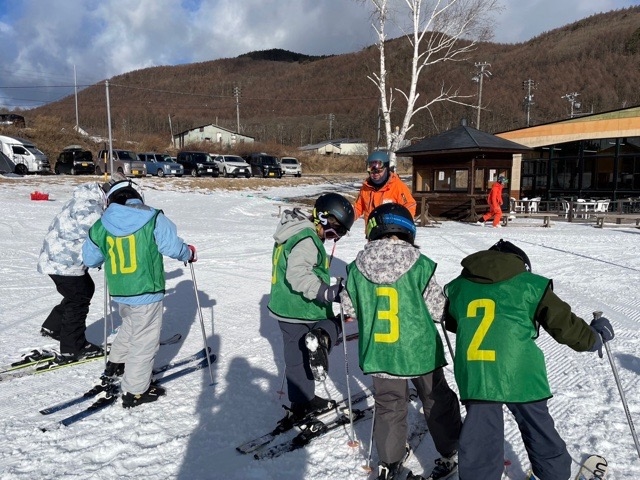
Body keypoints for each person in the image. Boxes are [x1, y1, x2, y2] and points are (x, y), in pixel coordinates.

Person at [443, 239, 615, 480]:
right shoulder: (532, 285)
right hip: (521, 372)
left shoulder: (458, 287)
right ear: (520, 264)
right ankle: (553, 475)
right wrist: (594, 337)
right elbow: (565, 327)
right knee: (539, 430)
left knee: (480, 438)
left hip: (477, 373)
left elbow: (453, 323)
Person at [341, 203, 462, 480]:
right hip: (419, 352)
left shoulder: (357, 269)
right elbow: (438, 308)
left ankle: (390, 461)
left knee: (389, 404)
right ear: (407, 230)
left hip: (381, 354)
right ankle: (450, 448)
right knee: (435, 399)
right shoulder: (418, 265)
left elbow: (348, 309)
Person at [82, 179, 196, 408]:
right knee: (145, 340)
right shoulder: (152, 217)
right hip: (146, 288)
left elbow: (89, 259)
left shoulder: (101, 224)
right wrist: (188, 253)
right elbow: (172, 247)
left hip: (120, 290)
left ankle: (117, 362)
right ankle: (135, 391)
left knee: (131, 326)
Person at [267, 192, 355, 427]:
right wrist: (329, 292)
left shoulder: (293, 231)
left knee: (296, 358)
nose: (335, 236)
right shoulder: (307, 239)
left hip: (284, 307)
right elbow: (297, 274)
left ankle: (302, 402)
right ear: (322, 217)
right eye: (335, 228)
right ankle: (322, 338)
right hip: (304, 307)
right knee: (335, 324)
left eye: (341, 233)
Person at [37, 181, 110, 362]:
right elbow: (100, 239)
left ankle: (54, 326)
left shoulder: (84, 200)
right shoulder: (93, 211)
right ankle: (73, 347)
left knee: (82, 290)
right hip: (64, 263)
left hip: (55, 259)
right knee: (79, 298)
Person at [353, 150, 417, 233]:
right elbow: (358, 207)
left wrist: (402, 225)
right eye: (372, 172)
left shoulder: (397, 186)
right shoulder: (366, 188)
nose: (375, 174)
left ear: (386, 168)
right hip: (373, 233)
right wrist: (344, 220)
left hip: (392, 233)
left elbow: (410, 205)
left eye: (379, 171)